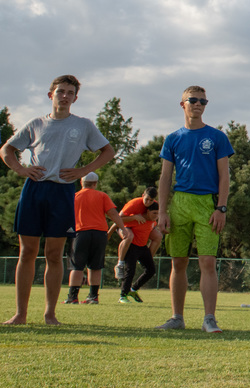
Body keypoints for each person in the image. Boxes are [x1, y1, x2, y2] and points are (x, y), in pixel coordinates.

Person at [2, 75, 115, 326]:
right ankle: (20, 314)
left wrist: (82, 171)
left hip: (63, 193)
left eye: (70, 92)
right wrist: (21, 170)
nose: (65, 96)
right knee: (27, 252)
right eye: (60, 91)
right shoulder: (36, 124)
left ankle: (50, 314)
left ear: (75, 97)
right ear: (50, 94)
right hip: (34, 190)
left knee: (54, 254)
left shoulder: (83, 125)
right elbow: (7, 149)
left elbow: (108, 151)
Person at [156, 85, 234, 333]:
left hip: (207, 205)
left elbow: (224, 176)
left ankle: (209, 318)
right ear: (183, 104)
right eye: (193, 100)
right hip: (180, 203)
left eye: (203, 101)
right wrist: (162, 212)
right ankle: (176, 317)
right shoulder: (173, 139)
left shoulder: (217, 137)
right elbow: (165, 178)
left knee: (207, 262)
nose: (198, 104)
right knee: (178, 262)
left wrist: (221, 208)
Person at [65, 172, 130, 305]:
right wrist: (123, 228)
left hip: (81, 233)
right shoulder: (102, 196)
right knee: (96, 266)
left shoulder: (75, 196)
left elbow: (66, 215)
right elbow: (112, 213)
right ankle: (93, 296)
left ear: (82, 183)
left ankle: (73, 297)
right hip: (100, 233)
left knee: (77, 266)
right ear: (95, 183)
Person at [115, 188, 160, 303]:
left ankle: (133, 289)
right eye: (147, 199)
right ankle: (122, 295)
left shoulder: (152, 219)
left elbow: (153, 228)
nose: (148, 202)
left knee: (151, 270)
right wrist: (109, 233)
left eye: (151, 200)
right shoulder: (136, 210)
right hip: (132, 245)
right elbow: (118, 220)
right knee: (131, 270)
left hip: (142, 247)